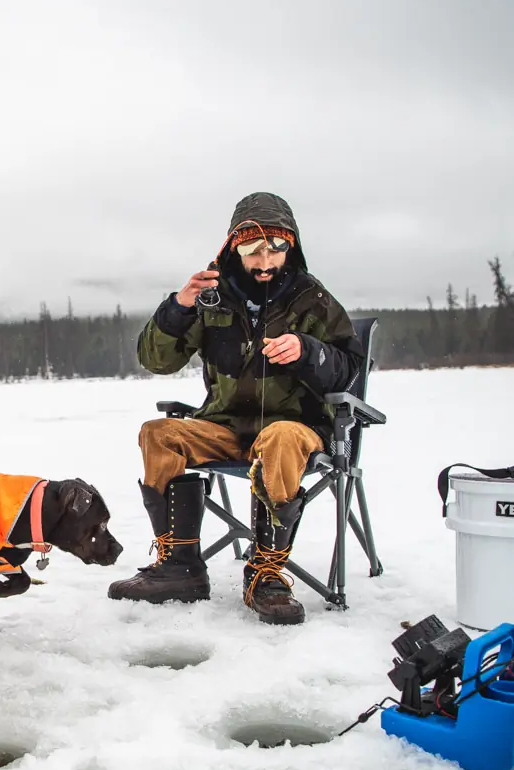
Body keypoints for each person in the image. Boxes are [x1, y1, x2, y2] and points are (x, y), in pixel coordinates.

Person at [107, 192, 364, 624]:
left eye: (275, 248)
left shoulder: (311, 298)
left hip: (295, 428)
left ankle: (266, 573)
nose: (265, 260)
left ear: (291, 247)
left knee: (280, 437)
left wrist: (308, 350)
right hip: (226, 427)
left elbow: (351, 371)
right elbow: (157, 360)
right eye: (252, 249)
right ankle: (180, 567)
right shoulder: (212, 297)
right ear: (233, 248)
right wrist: (177, 309)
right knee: (159, 433)